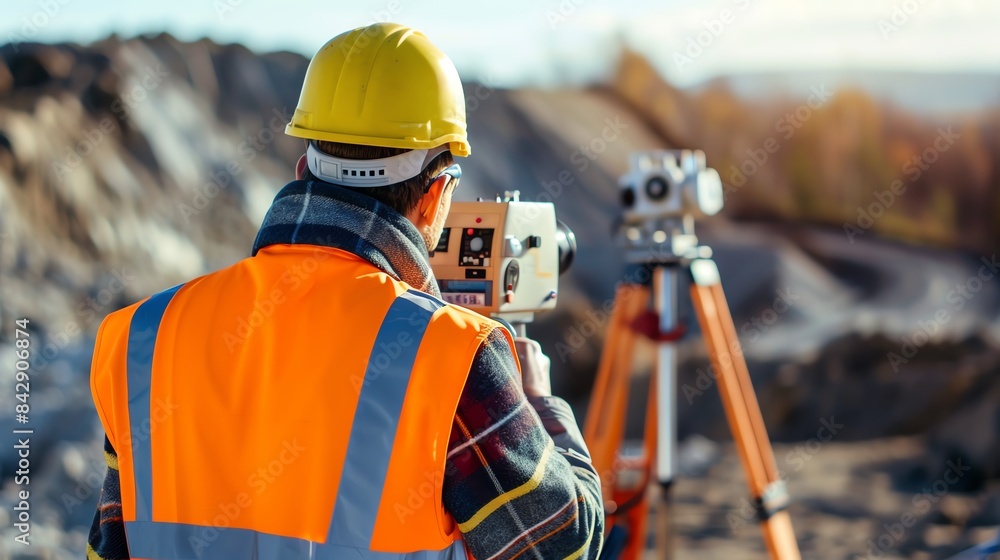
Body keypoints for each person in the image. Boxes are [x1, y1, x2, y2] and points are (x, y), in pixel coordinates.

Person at [87, 22, 604, 560]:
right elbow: (559, 548)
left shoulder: (141, 335)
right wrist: (541, 403)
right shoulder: (452, 356)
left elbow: (110, 547)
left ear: (302, 167)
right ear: (435, 197)